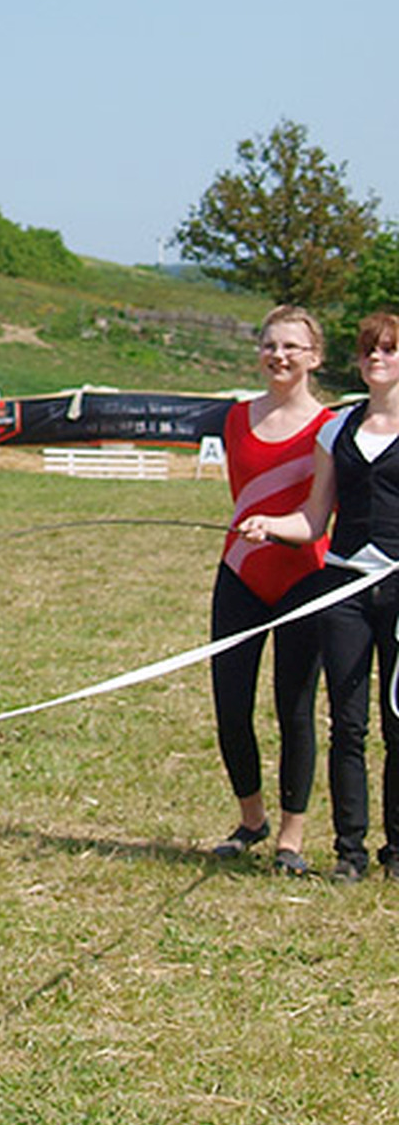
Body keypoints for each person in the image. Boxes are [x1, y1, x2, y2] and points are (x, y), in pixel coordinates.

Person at [240, 310, 399, 882]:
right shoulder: (337, 431)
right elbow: (313, 518)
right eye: (368, 352)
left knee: (397, 719)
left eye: (388, 350)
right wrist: (269, 525)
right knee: (348, 725)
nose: (377, 359)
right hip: (346, 586)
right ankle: (350, 852)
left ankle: (397, 851)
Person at [204, 307, 331, 874]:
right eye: (270, 344)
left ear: (314, 357)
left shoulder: (329, 426)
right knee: (231, 706)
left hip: (303, 576)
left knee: (294, 709)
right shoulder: (235, 419)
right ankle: (250, 819)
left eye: (293, 347)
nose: (279, 355)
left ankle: (291, 838)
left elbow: (319, 515)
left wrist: (278, 529)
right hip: (239, 573)